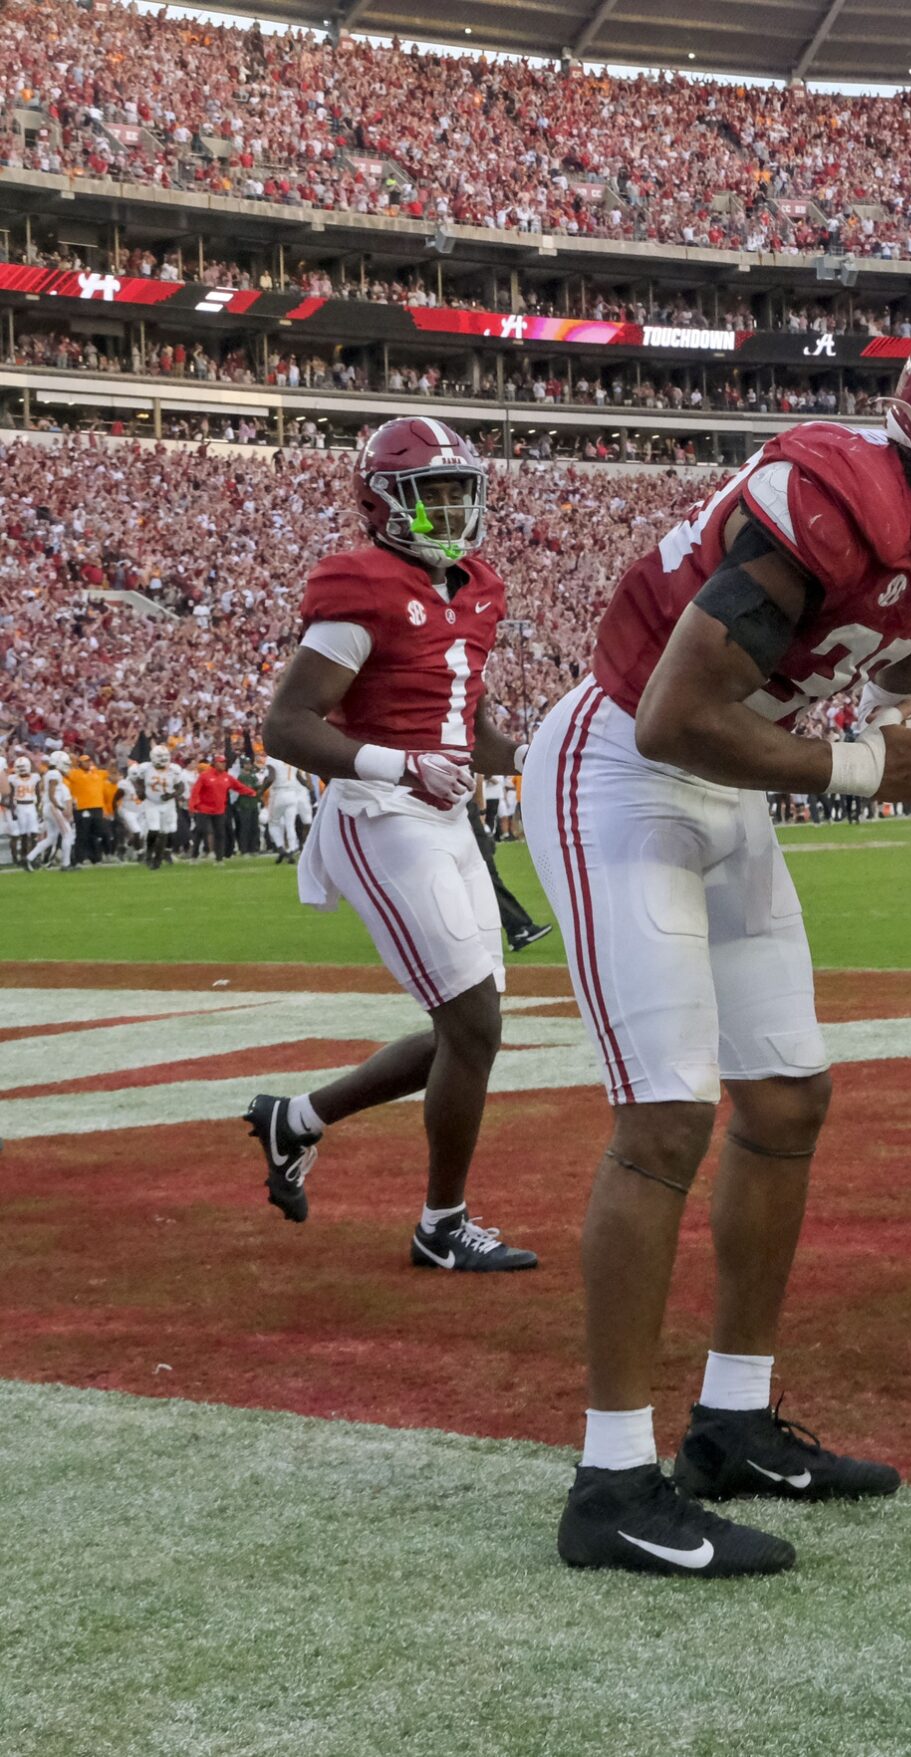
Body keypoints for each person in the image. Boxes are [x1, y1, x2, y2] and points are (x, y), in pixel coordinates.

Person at [522, 309, 911, 1580]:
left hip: (725, 785)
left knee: (787, 1099)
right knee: (664, 1121)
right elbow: (676, 715)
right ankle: (610, 1477)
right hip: (624, 767)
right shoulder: (828, 494)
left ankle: (731, 1422)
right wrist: (859, 763)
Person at [245, 417, 535, 1274]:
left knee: (467, 1029)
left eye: (458, 491)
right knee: (473, 1021)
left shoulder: (481, 585)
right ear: (382, 501)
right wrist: (399, 764)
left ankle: (295, 1118)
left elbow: (469, 730)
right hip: (377, 813)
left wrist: (540, 759)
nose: (448, 509)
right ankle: (441, 1225)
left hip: (446, 820)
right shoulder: (359, 582)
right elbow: (286, 725)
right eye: (429, 492)